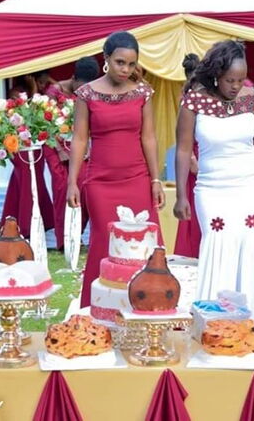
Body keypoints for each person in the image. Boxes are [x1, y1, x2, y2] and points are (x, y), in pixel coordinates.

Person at [174, 40, 254, 315]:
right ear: (217, 74)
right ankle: (215, 315)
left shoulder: (251, 97)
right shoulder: (193, 101)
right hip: (212, 189)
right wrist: (181, 194)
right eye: (230, 80)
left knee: (253, 242)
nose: (235, 86)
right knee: (220, 241)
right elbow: (183, 150)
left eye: (241, 80)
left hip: (252, 185)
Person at [67, 31, 165, 307]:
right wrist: (73, 181)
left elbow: (149, 137)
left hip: (137, 179)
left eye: (131, 64)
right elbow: (80, 138)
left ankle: (149, 305)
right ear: (106, 58)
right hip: (100, 182)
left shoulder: (143, 92)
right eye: (120, 62)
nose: (126, 69)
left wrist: (156, 179)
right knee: (103, 243)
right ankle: (98, 309)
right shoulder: (86, 94)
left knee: (143, 244)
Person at [44, 57, 100, 248]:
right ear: (73, 77)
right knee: (61, 188)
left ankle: (77, 235)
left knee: (83, 185)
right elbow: (46, 125)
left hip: (77, 145)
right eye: (80, 87)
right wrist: (60, 150)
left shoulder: (89, 93)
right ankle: (63, 242)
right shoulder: (54, 93)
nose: (82, 92)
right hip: (54, 145)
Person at [173, 53, 202, 258]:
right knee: (195, 201)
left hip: (203, 153)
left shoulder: (191, 93)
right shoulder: (190, 97)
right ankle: (193, 248)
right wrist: (192, 159)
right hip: (196, 155)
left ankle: (194, 246)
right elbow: (185, 136)